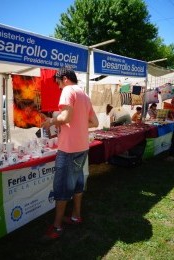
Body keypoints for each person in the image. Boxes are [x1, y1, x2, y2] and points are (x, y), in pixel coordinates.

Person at [41, 66, 99, 240]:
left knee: (62, 189)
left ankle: (57, 227)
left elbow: (65, 117)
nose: (59, 87)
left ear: (64, 78)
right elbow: (94, 122)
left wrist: (50, 121)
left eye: (58, 83)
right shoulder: (84, 94)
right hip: (82, 147)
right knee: (77, 184)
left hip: (69, 150)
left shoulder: (68, 90)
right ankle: (75, 216)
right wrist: (78, 124)